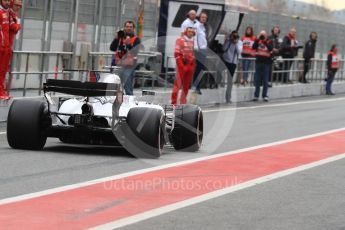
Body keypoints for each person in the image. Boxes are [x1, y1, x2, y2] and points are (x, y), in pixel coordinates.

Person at [110, 20, 141, 95]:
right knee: (115, 87)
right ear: (124, 28)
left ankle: (129, 104)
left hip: (129, 66)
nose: (129, 28)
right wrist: (116, 39)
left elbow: (134, 52)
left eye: (130, 27)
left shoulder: (136, 39)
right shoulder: (120, 37)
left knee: (128, 88)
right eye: (127, 27)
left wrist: (128, 44)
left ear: (133, 28)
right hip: (118, 65)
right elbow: (112, 48)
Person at [171, 27, 195, 105]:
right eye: (189, 31)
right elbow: (176, 54)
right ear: (185, 32)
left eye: (192, 32)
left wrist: (192, 65)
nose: (190, 33)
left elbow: (192, 53)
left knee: (186, 86)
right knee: (177, 85)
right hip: (182, 64)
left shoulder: (192, 41)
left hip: (190, 65)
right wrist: (181, 65)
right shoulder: (180, 40)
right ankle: (173, 103)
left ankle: (183, 102)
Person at [222, 31, 242, 103]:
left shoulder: (239, 42)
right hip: (225, 60)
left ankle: (228, 97)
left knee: (230, 81)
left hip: (232, 63)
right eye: (233, 36)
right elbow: (224, 49)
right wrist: (229, 41)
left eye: (236, 36)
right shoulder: (228, 41)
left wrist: (236, 43)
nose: (234, 38)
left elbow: (239, 51)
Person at [252, 31, 273, 102]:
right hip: (258, 62)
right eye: (261, 35)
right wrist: (258, 39)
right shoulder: (258, 41)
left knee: (265, 80)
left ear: (266, 35)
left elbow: (270, 49)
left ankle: (265, 95)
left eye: (263, 35)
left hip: (266, 63)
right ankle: (256, 95)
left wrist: (265, 42)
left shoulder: (269, 41)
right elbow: (253, 47)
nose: (262, 36)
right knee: (257, 80)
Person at [192, 11, 208, 95]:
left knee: (201, 69)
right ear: (199, 17)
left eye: (205, 17)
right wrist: (196, 48)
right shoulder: (196, 26)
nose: (204, 19)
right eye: (202, 17)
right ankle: (196, 86)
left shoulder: (203, 27)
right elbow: (194, 38)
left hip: (203, 50)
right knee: (198, 69)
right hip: (199, 50)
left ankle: (197, 85)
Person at [0, 0, 12, 99]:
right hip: (1, 46)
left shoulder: (8, 12)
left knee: (3, 71)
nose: (7, 2)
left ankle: (2, 91)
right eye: (6, 0)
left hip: (6, 47)